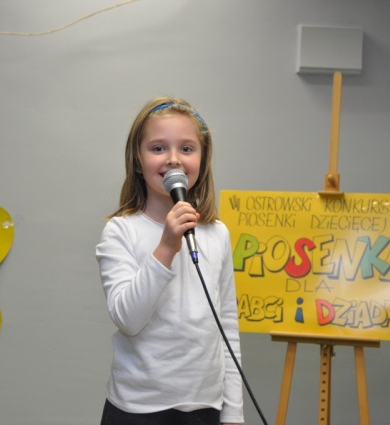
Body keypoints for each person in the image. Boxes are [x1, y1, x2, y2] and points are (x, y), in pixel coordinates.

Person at [96, 96, 244, 425]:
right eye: (158, 148)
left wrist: (233, 412)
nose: (173, 159)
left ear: (203, 160)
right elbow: (127, 319)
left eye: (187, 148)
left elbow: (227, 326)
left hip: (205, 407)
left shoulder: (217, 234)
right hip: (138, 408)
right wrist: (166, 246)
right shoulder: (121, 231)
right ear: (138, 161)